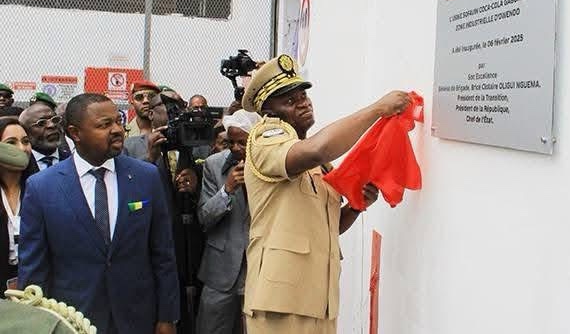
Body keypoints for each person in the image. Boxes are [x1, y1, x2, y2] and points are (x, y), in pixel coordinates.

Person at [240, 54, 409, 334]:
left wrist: (356, 207)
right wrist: (377, 109)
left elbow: (329, 227)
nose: (303, 102)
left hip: (319, 299)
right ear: (270, 112)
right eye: (289, 101)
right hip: (281, 303)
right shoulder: (265, 138)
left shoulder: (316, 163)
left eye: (303, 95)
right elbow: (320, 148)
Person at [18, 93, 180, 334]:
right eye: (104, 125)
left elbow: (163, 254)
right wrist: (35, 323)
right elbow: (34, 269)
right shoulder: (42, 187)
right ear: (75, 133)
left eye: (118, 121)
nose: (116, 130)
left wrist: (167, 317)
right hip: (72, 321)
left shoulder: (146, 177)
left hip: (137, 319)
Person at [124, 90, 203, 334]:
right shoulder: (130, 147)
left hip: (190, 242)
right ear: (151, 112)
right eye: (164, 107)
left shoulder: (197, 142)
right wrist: (150, 158)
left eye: (176, 107)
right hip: (152, 243)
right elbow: (128, 199)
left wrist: (196, 183)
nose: (171, 112)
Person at [196, 109, 260, 334]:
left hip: (259, 270)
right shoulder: (214, 165)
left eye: (241, 142)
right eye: (231, 142)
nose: (235, 148)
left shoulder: (270, 164)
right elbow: (204, 217)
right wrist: (227, 189)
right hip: (220, 271)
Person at [0, 118, 32, 292]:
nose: (22, 148)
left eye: (26, 141)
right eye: (11, 142)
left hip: (33, 287)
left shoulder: (41, 189)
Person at [19, 103, 71, 171]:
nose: (52, 125)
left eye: (55, 120)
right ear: (25, 130)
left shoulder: (72, 159)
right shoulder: (19, 164)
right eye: (41, 123)